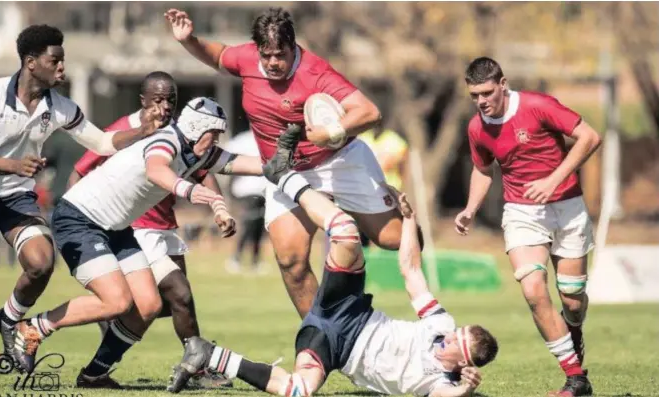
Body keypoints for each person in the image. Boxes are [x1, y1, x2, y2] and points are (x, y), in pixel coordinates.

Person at [167, 127, 498, 396]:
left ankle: (208, 354)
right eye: (459, 331)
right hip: (351, 308)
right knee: (344, 231)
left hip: (333, 348)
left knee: (298, 392)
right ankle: (286, 177)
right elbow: (411, 271)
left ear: (463, 363)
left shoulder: (442, 382)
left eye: (457, 342)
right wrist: (409, 219)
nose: (450, 337)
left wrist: (466, 390)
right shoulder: (441, 325)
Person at [165, 7, 416, 318]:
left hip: (338, 161)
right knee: (291, 261)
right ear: (257, 49)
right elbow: (217, 55)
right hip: (287, 172)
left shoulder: (315, 72)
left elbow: (369, 112)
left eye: (280, 55)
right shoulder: (246, 59)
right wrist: (188, 41)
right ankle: (322, 338)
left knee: (394, 239)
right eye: (266, 55)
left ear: (293, 46)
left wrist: (328, 133)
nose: (272, 63)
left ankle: (376, 207)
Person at [9, 97, 263, 383]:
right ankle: (32, 328)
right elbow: (157, 169)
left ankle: (94, 374)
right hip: (79, 219)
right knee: (117, 302)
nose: (217, 140)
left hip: (115, 227)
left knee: (149, 305)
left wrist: (287, 160)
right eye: (213, 134)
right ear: (196, 128)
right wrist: (189, 191)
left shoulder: (199, 150)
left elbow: (246, 164)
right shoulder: (167, 140)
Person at [0, 24, 164, 362]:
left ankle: (8, 319)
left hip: (15, 198)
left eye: (62, 60)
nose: (62, 67)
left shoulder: (61, 107)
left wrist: (142, 130)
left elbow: (103, 143)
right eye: (56, 61)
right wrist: (13, 166)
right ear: (31, 62)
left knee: (42, 263)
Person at [67, 73, 233, 389]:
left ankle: (110, 336)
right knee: (179, 293)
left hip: (165, 226)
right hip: (135, 228)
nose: (165, 106)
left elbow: (202, 170)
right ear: (142, 100)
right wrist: (84, 229)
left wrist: (218, 206)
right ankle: (196, 368)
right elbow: (79, 171)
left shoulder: (180, 132)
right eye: (158, 99)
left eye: (171, 99)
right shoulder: (125, 129)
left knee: (174, 305)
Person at [455, 57, 601, 397]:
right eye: (474, 95)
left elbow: (589, 137)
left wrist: (552, 181)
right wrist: (470, 208)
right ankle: (576, 378)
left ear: (503, 84)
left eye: (487, 92)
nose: (481, 101)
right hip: (522, 211)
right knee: (534, 290)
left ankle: (573, 338)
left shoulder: (538, 105)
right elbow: (482, 168)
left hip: (567, 206)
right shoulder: (477, 127)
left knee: (572, 298)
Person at [223, 130, 268, 274]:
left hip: (263, 191)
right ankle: (236, 258)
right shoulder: (243, 139)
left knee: (259, 228)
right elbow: (227, 158)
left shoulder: (267, 136)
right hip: (247, 190)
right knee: (249, 225)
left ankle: (255, 261)